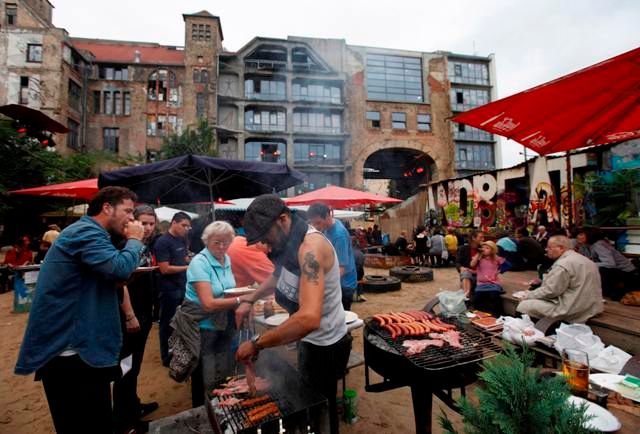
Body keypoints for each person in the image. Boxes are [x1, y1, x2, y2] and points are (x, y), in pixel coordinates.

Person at [14, 187, 145, 434]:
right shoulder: (85, 232)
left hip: (78, 350)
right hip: (70, 355)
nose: (131, 218)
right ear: (107, 207)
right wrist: (136, 241)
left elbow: (107, 276)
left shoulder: (91, 234)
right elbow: (118, 269)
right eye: (128, 210)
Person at [235, 195, 352, 434]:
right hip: (308, 340)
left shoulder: (311, 249)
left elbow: (309, 318)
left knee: (320, 407)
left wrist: (257, 343)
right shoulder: (289, 242)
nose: (266, 246)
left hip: (326, 345)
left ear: (282, 219)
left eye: (266, 238)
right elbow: (277, 276)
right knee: (307, 401)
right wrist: (250, 299)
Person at [113, 205, 160, 434]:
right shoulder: (125, 246)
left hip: (144, 315)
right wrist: (130, 316)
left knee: (134, 367)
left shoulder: (146, 245)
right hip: (129, 320)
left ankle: (133, 406)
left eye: (152, 223)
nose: (148, 228)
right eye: (143, 223)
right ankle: (124, 422)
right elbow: (120, 284)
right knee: (126, 369)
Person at [185, 221, 239, 407]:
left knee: (224, 366)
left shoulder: (226, 259)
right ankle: (201, 409)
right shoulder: (199, 263)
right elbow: (207, 304)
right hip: (203, 326)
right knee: (204, 372)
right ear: (206, 241)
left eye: (226, 242)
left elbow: (227, 289)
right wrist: (241, 301)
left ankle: (222, 405)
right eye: (217, 242)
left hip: (224, 322)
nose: (222, 246)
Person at [516, 235, 603, 323]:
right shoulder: (586, 260)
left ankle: (529, 332)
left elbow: (550, 291)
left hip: (573, 309)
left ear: (560, 248)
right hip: (592, 307)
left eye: (549, 247)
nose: (546, 250)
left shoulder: (563, 264)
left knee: (524, 306)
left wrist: (528, 295)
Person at [154, 211, 192, 367]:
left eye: (188, 226)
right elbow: (164, 269)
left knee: (181, 323)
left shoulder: (182, 240)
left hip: (182, 286)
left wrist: (191, 259)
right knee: (167, 324)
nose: (186, 228)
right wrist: (187, 267)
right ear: (174, 223)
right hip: (169, 289)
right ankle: (166, 357)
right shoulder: (162, 242)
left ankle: (179, 353)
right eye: (184, 225)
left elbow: (183, 258)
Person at [307, 203, 358, 311]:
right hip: (337, 282)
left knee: (342, 319)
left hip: (344, 284)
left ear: (327, 216)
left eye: (318, 222)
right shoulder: (326, 227)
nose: (316, 226)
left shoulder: (339, 235)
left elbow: (342, 268)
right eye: (313, 223)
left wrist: (321, 285)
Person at [589, 230, 637, 300]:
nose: (578, 237)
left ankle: (612, 290)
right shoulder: (591, 245)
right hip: (624, 270)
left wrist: (590, 263)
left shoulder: (598, 245)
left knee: (601, 269)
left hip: (626, 272)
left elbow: (610, 264)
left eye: (581, 234)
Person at [470, 241, 504, 316]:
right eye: (483, 247)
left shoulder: (496, 258)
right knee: (477, 298)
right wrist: (478, 254)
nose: (484, 249)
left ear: (492, 250)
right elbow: (472, 264)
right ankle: (478, 315)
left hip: (493, 283)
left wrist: (499, 271)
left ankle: (498, 315)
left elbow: (507, 264)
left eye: (487, 248)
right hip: (481, 284)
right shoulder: (479, 258)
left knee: (494, 296)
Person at [456, 230, 485, 297]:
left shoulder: (484, 249)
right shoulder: (463, 249)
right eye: (480, 237)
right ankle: (466, 298)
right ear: (473, 238)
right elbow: (457, 262)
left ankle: (466, 296)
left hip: (481, 273)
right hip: (469, 273)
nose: (483, 239)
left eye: (483, 237)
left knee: (466, 276)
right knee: (465, 273)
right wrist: (461, 267)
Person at [352, 236, 366, 302]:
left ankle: (351, 294)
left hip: (351, 273)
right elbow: (361, 265)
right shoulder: (361, 254)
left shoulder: (348, 252)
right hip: (359, 273)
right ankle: (360, 294)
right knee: (359, 278)